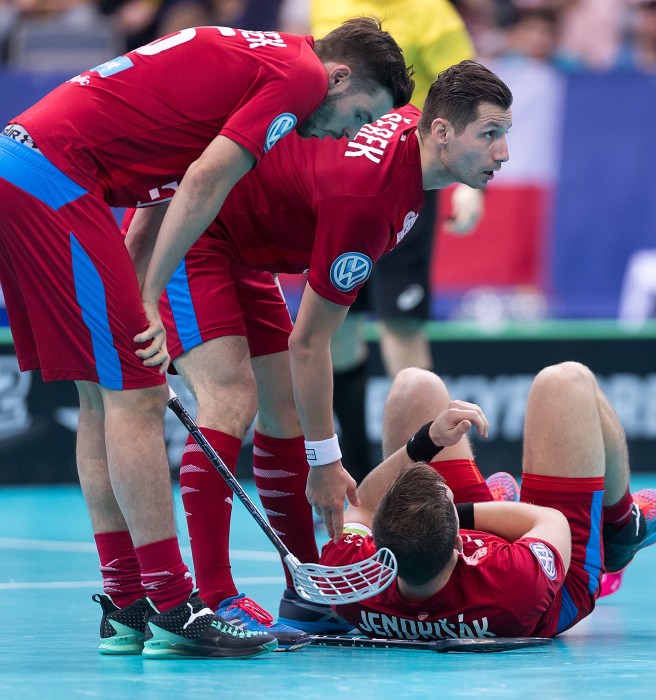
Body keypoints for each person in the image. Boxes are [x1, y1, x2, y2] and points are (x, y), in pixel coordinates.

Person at [0, 17, 411, 657]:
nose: (349, 133)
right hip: (56, 178)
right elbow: (205, 182)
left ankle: (128, 603)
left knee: (98, 398)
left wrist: (140, 284)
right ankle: (172, 605)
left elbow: (165, 185)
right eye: (358, 114)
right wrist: (144, 298)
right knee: (135, 396)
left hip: (28, 168)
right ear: (338, 77)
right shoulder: (298, 76)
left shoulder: (259, 61)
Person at [128, 60, 511, 644]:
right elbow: (309, 344)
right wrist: (326, 462)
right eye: (489, 135)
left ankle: (303, 587)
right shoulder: (372, 201)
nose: (503, 152)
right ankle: (212, 599)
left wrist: (315, 452)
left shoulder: (407, 141)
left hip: (245, 243)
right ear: (438, 132)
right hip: (197, 232)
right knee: (232, 400)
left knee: (283, 411)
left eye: (504, 134)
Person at [319, 361, 656, 639]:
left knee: (414, 385)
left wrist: (427, 440)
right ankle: (624, 526)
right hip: (557, 575)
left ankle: (481, 501)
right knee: (565, 380)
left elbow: (362, 504)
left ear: (381, 549)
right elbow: (547, 521)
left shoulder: (351, 580)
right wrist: (456, 514)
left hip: (447, 549)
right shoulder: (517, 580)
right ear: (458, 540)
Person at [313, 0, 486, 482]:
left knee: (401, 332)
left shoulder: (434, 15)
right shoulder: (326, 5)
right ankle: (359, 469)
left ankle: (446, 475)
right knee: (339, 329)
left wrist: (474, 191)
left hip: (407, 182)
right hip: (342, 189)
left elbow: (469, 99)